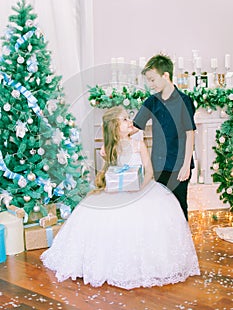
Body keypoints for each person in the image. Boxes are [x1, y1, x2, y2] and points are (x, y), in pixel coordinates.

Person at [41, 106, 200, 289]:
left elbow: (149, 172)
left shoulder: (138, 144)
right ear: (114, 127)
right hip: (116, 192)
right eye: (124, 119)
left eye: (128, 117)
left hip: (141, 190)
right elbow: (111, 173)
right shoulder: (109, 148)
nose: (130, 121)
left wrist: (141, 186)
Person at [133, 54, 196, 221]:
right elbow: (134, 126)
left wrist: (186, 166)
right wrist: (111, 138)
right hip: (158, 164)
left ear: (166, 75)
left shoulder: (185, 101)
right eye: (148, 80)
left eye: (153, 80)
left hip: (179, 165)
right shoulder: (152, 102)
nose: (150, 84)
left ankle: (182, 245)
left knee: (179, 206)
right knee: (161, 207)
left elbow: (190, 133)